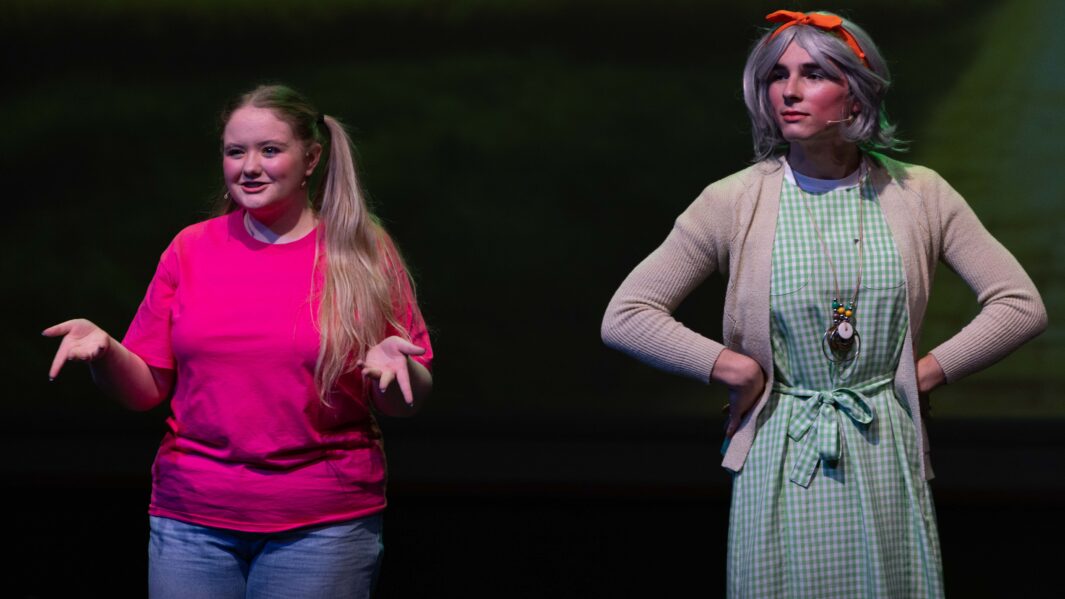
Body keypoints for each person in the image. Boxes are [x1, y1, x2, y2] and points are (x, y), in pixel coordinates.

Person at [601, 10, 1046, 598]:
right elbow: (628, 314)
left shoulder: (919, 192)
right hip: (782, 440)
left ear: (855, 94)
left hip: (882, 438)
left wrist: (927, 372)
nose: (788, 91)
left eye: (812, 74)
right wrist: (730, 366)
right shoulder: (734, 200)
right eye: (775, 76)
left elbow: (1019, 303)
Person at [44, 84, 433, 598]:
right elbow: (146, 388)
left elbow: (407, 399)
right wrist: (106, 353)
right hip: (193, 520)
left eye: (270, 150)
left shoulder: (361, 253)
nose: (250, 166)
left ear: (311, 158)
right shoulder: (191, 248)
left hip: (320, 524)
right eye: (235, 152)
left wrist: (392, 370)